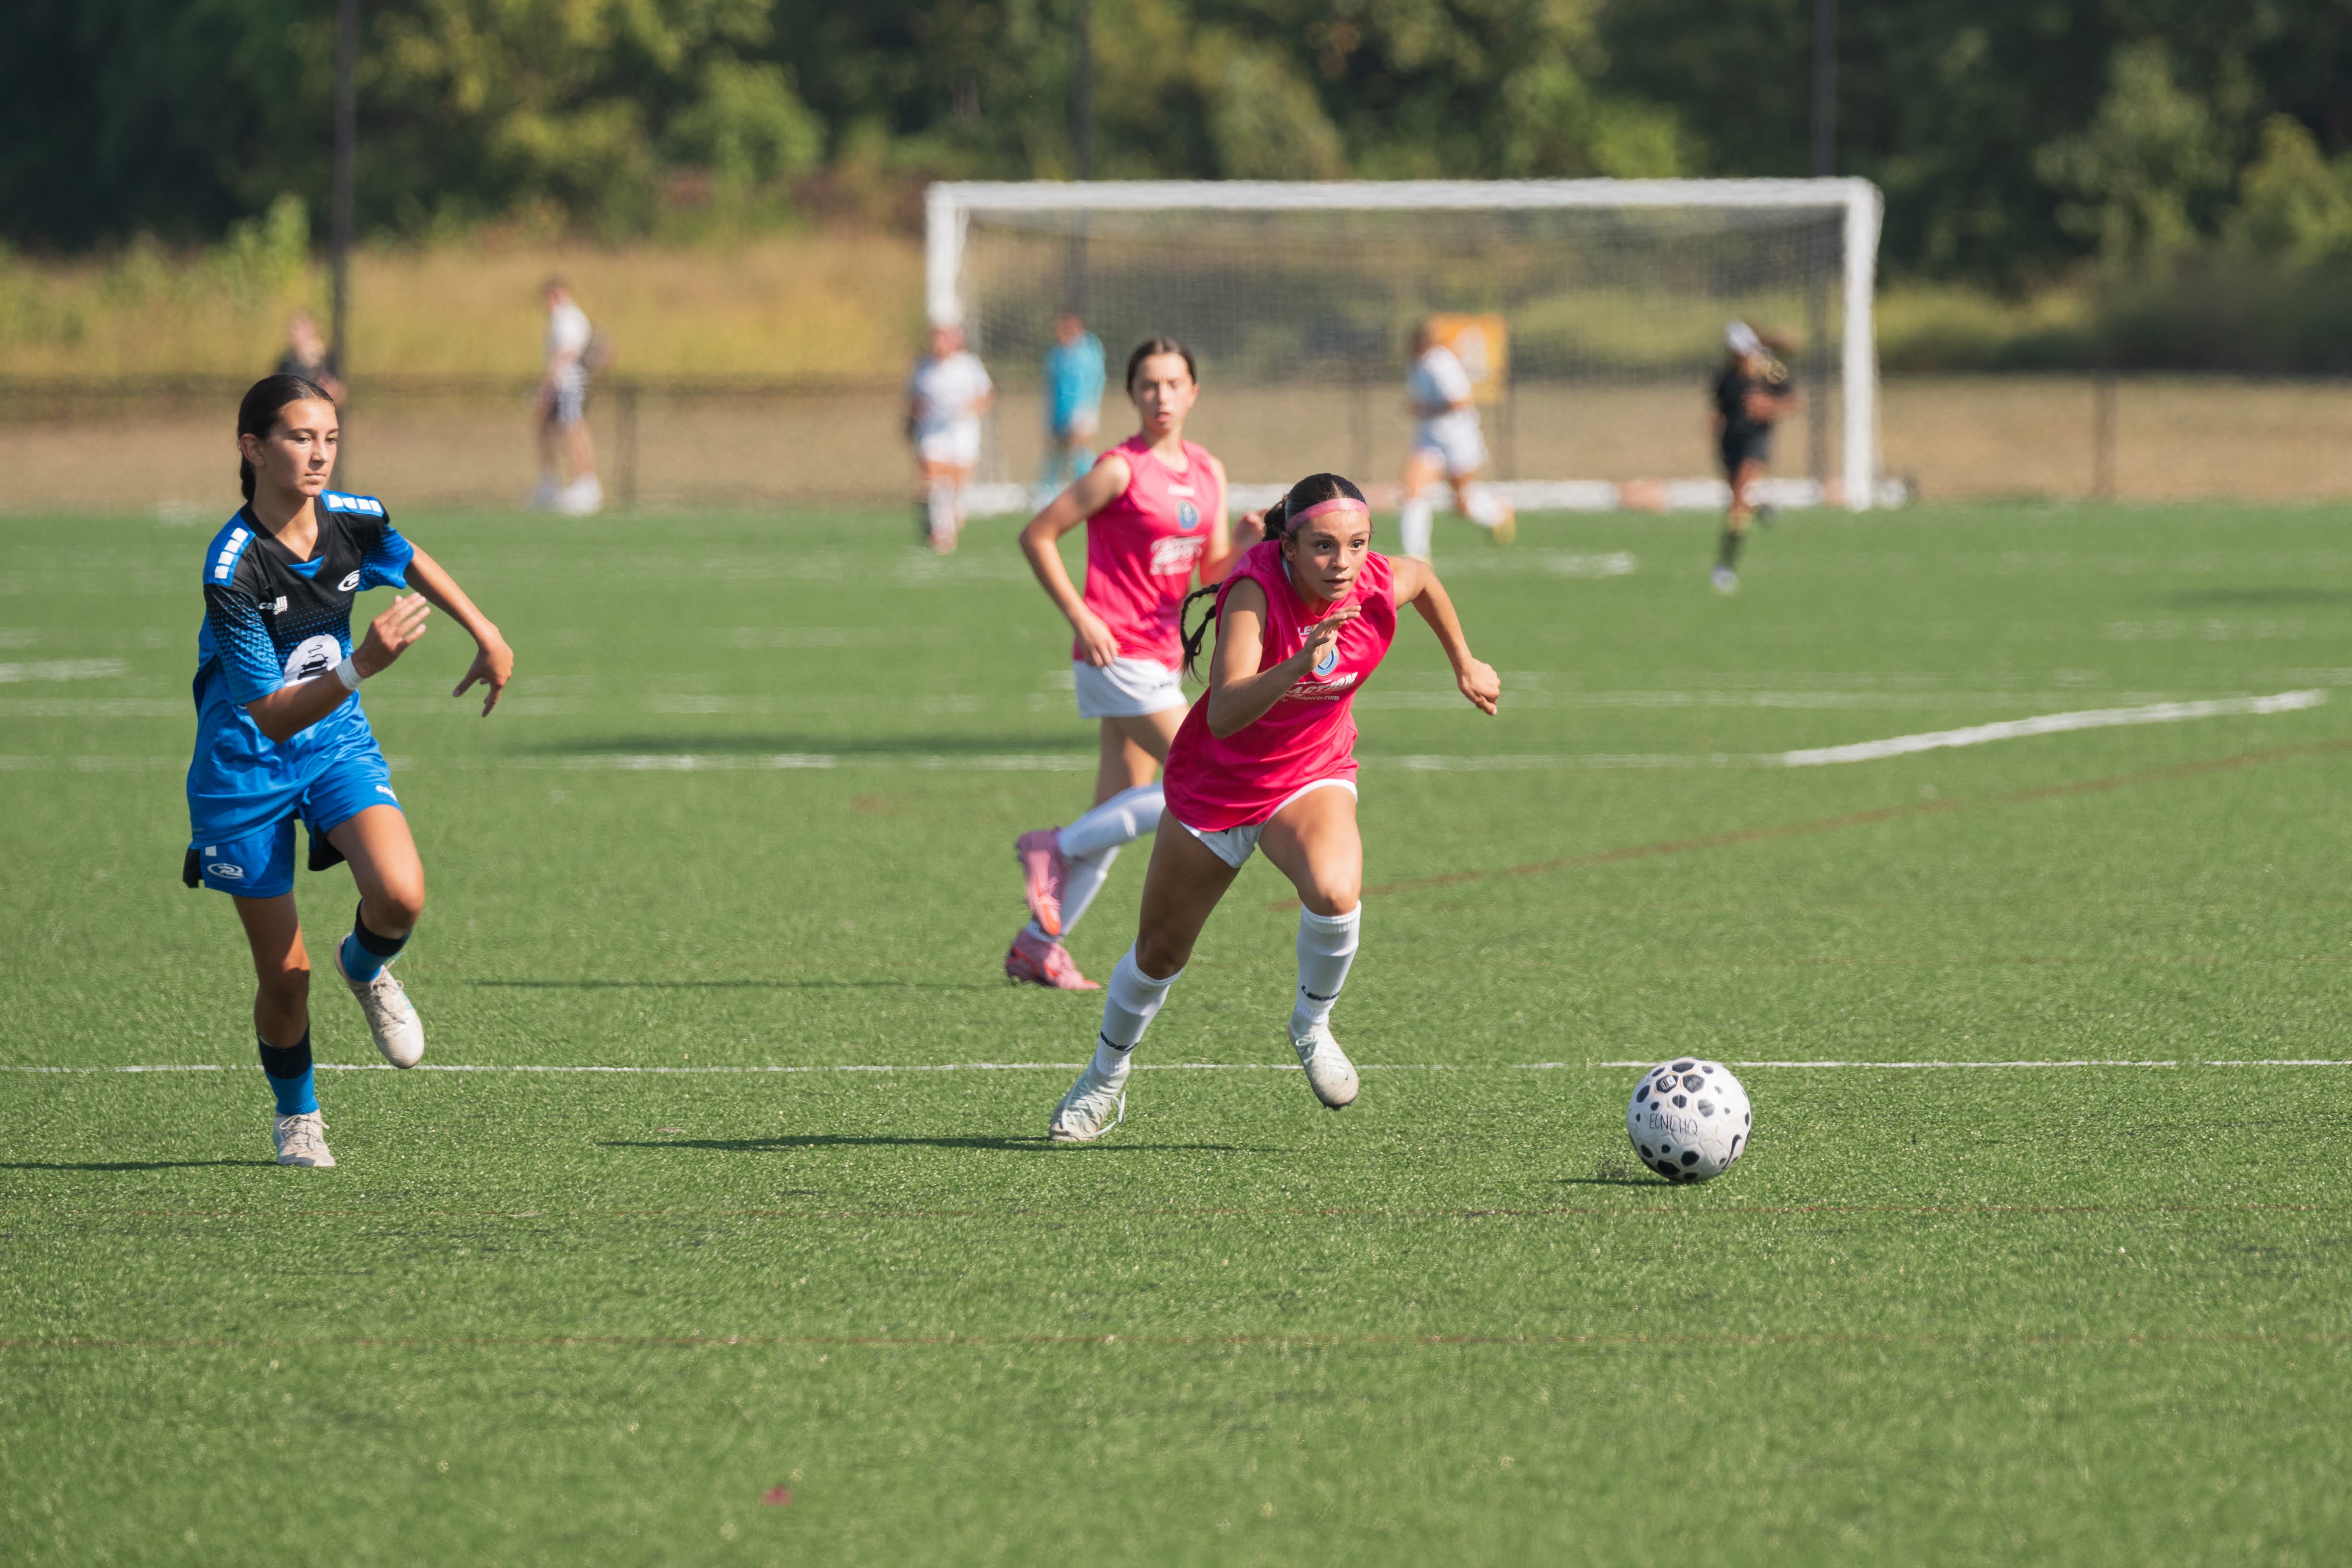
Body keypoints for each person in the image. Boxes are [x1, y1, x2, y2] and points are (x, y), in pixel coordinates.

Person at [1045, 472, 1501, 1142]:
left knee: (1334, 889)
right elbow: (1225, 712)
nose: (1341, 562)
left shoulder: (1372, 580)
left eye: (1355, 544)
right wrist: (1298, 664)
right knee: (1159, 954)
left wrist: (1463, 661)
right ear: (1287, 546)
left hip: (1309, 773)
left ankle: (1311, 1023)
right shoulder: (1253, 591)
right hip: (1218, 784)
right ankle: (1105, 1074)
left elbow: (1423, 578)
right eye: (1321, 546)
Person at [187, 374, 514, 1167]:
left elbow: (407, 557)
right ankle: (298, 1114)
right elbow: (268, 713)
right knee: (285, 977)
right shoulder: (234, 566)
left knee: (401, 894)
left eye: (330, 438)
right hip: (246, 770)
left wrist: (486, 630)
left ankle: (365, 968)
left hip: (334, 742)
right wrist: (364, 661)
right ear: (253, 448)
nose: (319, 454)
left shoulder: (352, 519)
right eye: (301, 438)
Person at [1007, 338, 1237, 989]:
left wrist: (1246, 539)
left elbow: (1211, 570)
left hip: (1162, 658)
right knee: (1203, 772)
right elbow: (1038, 534)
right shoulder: (1119, 469)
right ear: (1132, 395)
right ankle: (1054, 845)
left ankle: (1038, 944)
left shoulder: (1208, 471)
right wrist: (1082, 615)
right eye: (1148, 386)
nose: (1161, 397)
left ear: (1194, 391)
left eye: (1173, 384)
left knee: (1114, 809)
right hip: (1116, 653)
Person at [1397, 320, 1515, 561]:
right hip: (1430, 440)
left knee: (1462, 505)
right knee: (1413, 491)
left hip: (1458, 440)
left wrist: (1425, 409)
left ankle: (1499, 513)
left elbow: (1461, 402)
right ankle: (1417, 556)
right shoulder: (1415, 364)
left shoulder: (1441, 363)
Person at [1709, 320, 1801, 593]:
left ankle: (1725, 566)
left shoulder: (1771, 372)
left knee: (1737, 499)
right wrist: (1715, 419)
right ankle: (1761, 508)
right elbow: (1721, 406)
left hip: (1755, 441)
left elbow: (1794, 403)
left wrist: (1769, 407)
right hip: (1730, 442)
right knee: (1738, 496)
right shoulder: (1726, 377)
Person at [906, 323, 994, 553]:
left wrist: (970, 409)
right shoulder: (923, 367)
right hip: (932, 431)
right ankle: (940, 531)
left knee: (957, 485)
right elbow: (914, 400)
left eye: (943, 338)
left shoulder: (969, 366)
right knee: (932, 478)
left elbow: (986, 395)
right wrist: (912, 421)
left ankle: (951, 517)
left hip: (962, 432)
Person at [533, 277, 602, 516]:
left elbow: (567, 352)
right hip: (563, 383)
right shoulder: (561, 317)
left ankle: (585, 484)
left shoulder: (569, 317)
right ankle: (551, 484)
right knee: (549, 430)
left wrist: (548, 384)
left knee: (573, 431)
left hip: (568, 384)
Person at [1035, 313, 1107, 506]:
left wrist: (1089, 411)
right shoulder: (1056, 354)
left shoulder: (1089, 351)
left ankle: (1090, 488)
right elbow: (1052, 386)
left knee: (1081, 447)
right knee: (1058, 450)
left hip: (1083, 410)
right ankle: (1049, 489)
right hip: (1060, 411)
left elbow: (1095, 382)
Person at [274, 311, 345, 406]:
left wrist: (332, 393)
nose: (294, 332)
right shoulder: (286, 364)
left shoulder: (328, 360)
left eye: (301, 327)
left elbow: (341, 397)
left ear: (314, 329)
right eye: (293, 328)